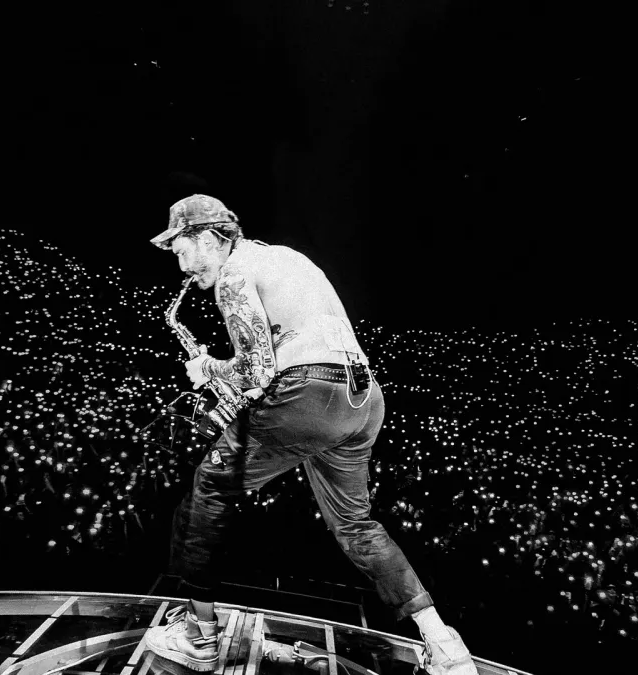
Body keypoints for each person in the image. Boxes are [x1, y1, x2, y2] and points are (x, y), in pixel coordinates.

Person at [141, 195, 480, 674]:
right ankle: (444, 644)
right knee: (356, 524)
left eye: (181, 250)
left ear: (209, 238)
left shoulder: (234, 274)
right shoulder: (287, 257)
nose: (181, 266)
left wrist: (208, 368)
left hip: (309, 395)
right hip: (362, 398)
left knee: (209, 488)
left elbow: (256, 371)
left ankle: (199, 635)